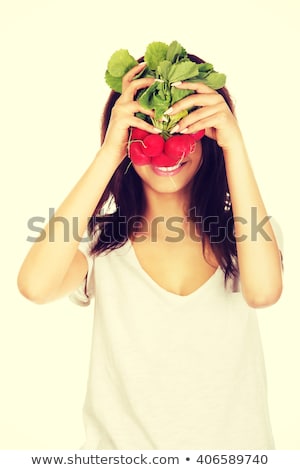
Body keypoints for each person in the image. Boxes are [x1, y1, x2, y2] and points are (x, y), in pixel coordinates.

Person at [17, 53, 283, 450]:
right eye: (150, 127)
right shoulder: (99, 242)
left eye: (183, 127)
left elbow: (263, 293)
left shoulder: (247, 232)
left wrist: (234, 144)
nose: (166, 146)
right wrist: (110, 151)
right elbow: (36, 286)